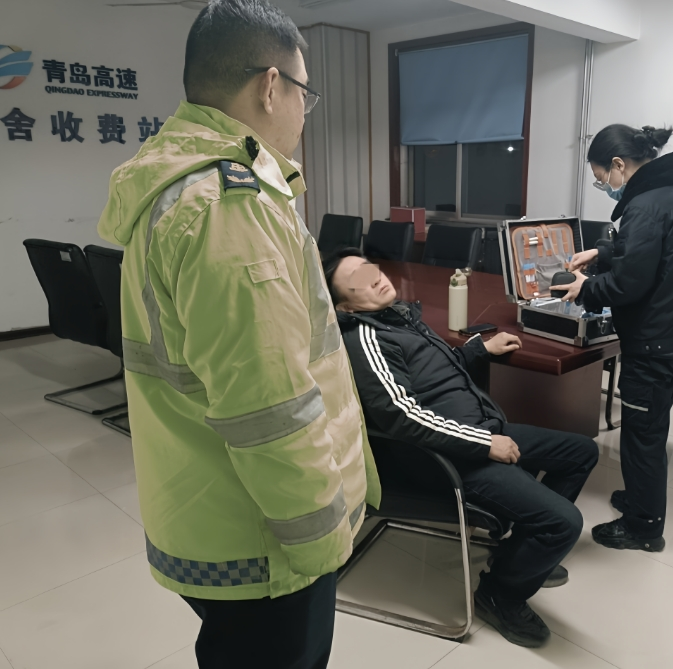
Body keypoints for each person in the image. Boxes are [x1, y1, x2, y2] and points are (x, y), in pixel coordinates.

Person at [96, 2, 380, 667]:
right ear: (270, 86)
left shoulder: (176, 184)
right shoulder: (229, 209)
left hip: (209, 505)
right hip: (265, 542)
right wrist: (320, 543)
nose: (304, 112)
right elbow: (268, 407)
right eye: (305, 93)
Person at [323, 247, 598, 649]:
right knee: (564, 523)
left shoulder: (396, 316)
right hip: (451, 459)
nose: (375, 279)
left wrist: (477, 350)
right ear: (345, 307)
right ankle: (499, 595)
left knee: (581, 453)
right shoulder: (365, 337)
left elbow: (431, 373)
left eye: (371, 269)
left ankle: (519, 552)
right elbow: (404, 416)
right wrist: (485, 444)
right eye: (358, 282)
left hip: (479, 431)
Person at [552, 125, 673, 552]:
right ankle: (643, 497)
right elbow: (662, 251)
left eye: (601, 177)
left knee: (642, 436)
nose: (604, 185)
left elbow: (628, 284)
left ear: (618, 165)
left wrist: (584, 287)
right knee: (652, 425)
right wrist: (603, 252)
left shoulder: (645, 206)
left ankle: (644, 527)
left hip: (656, 344)